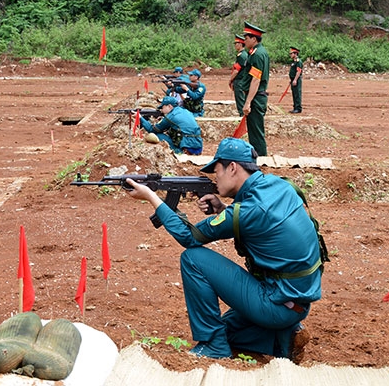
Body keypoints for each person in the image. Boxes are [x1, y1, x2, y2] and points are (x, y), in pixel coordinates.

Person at [124, 138, 325, 361]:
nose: (215, 178)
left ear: (232, 167)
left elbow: (188, 237)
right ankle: (284, 338)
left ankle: (213, 346)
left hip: (276, 303)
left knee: (193, 259)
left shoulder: (248, 211)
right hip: (295, 301)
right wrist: (224, 209)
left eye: (217, 170)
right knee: (226, 329)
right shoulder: (279, 186)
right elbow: (259, 219)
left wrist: (152, 197)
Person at [238, 22, 270, 156]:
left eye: (246, 38)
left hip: (256, 97)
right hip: (255, 96)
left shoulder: (257, 55)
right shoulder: (256, 53)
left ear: (254, 39)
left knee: (256, 132)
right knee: (253, 130)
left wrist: (248, 102)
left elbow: (256, 80)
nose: (244, 41)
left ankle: (261, 159)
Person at [288, 46, 303, 113]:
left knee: (297, 94)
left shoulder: (298, 62)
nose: (290, 55)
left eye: (291, 53)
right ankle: (295, 107)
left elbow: (298, 71)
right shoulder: (294, 62)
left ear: (295, 54)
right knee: (294, 94)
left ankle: (298, 108)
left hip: (296, 80)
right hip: (293, 80)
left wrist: (295, 80)